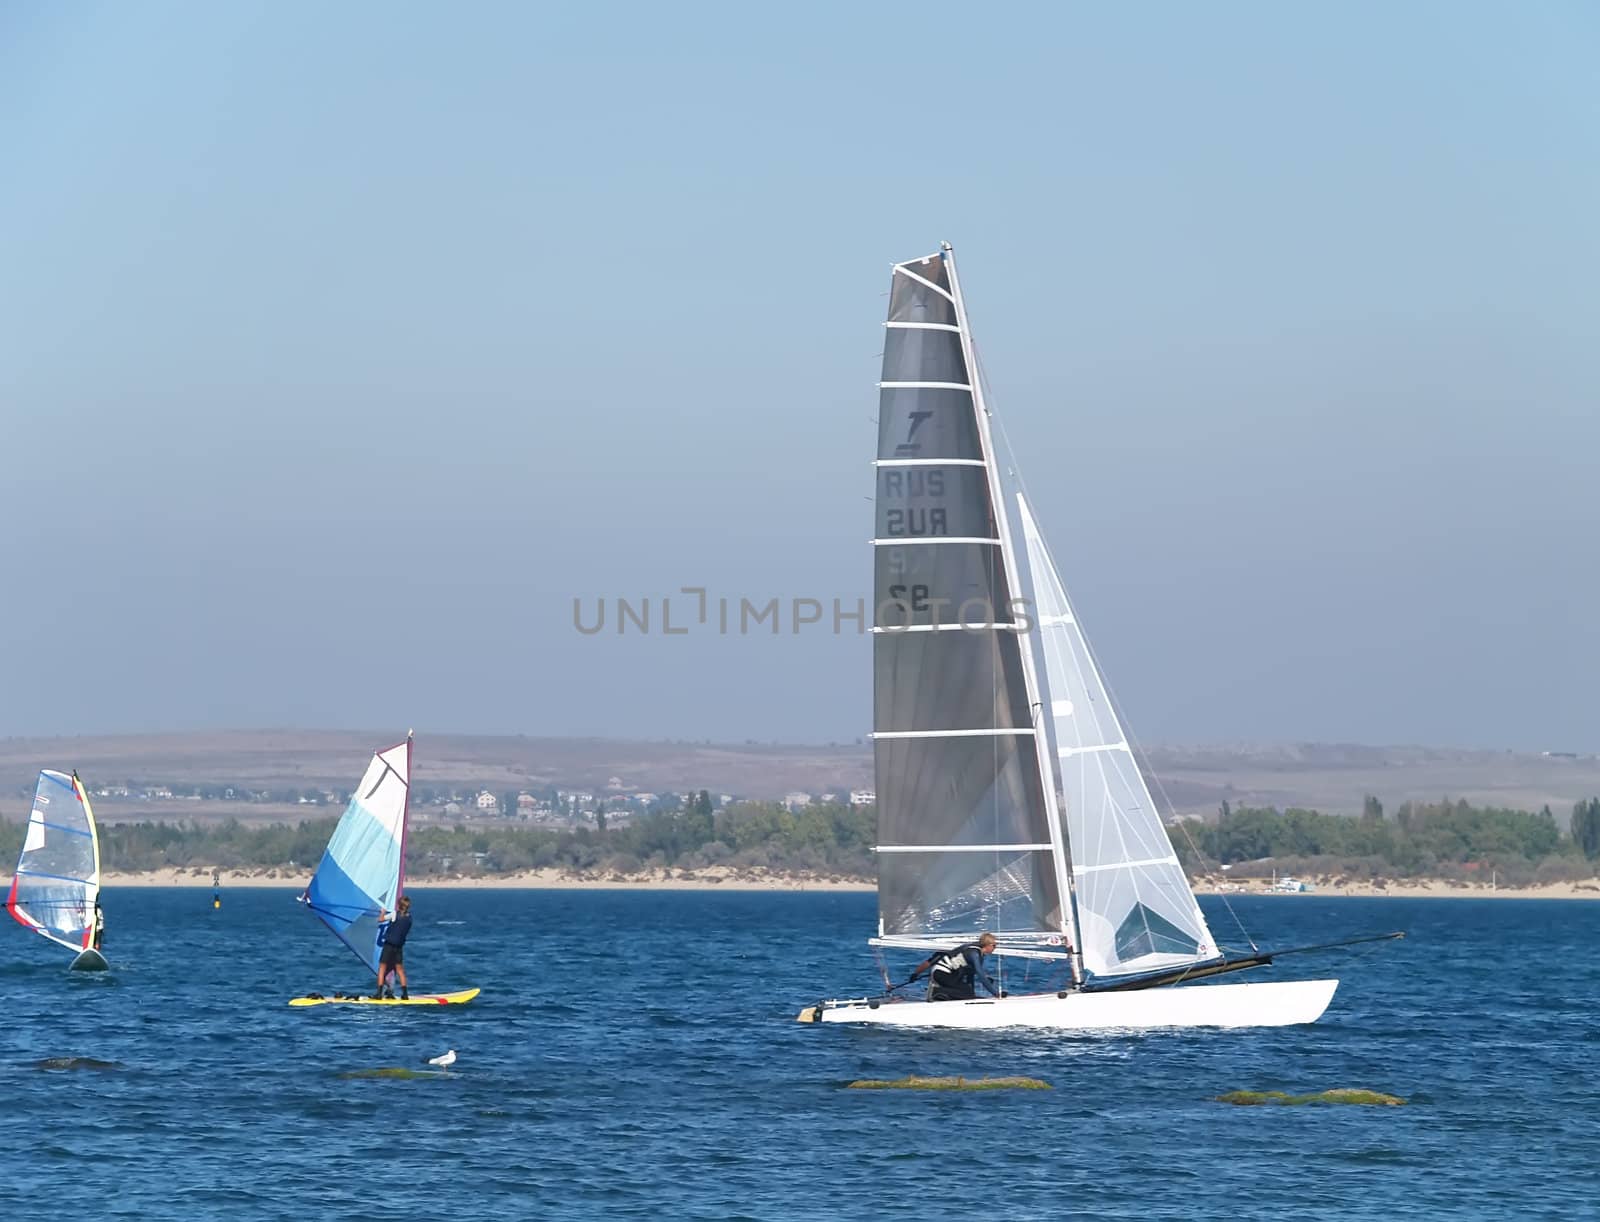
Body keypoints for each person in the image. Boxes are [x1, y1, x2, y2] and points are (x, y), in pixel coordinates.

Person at [907, 932, 1002, 1001]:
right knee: (966, 991)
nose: (995, 948)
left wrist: (971, 996)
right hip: (942, 973)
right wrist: (996, 994)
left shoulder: (978, 953)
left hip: (948, 974)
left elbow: (970, 975)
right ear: (988, 945)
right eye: (994, 945)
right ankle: (935, 991)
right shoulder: (974, 954)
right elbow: (981, 975)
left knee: (966, 992)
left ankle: (942, 996)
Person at [374, 895, 412, 1000]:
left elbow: (380, 920)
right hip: (399, 947)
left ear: (399, 905)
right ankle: (405, 994)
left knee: (382, 968)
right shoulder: (409, 918)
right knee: (400, 970)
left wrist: (382, 912)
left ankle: (379, 994)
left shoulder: (394, 914)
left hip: (389, 945)